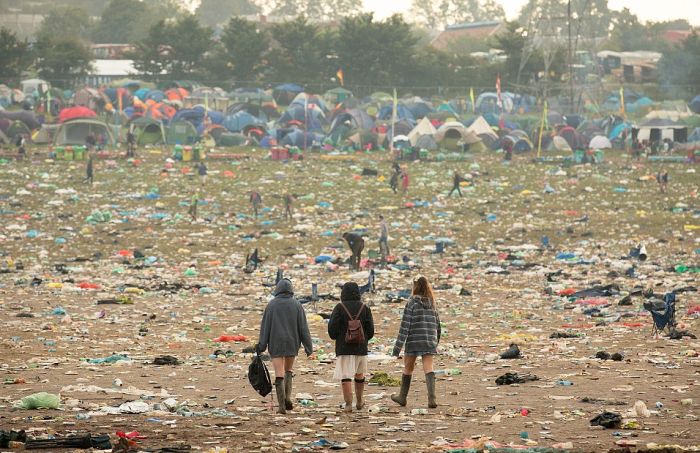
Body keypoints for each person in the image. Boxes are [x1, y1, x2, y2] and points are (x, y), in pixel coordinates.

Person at [257, 278, 313, 414]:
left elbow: (265, 327)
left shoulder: (271, 305)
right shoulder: (297, 305)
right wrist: (308, 347)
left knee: (279, 373)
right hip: (292, 342)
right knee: (288, 370)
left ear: (277, 289)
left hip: (276, 343)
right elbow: (303, 328)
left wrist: (261, 346)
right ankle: (287, 397)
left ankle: (281, 406)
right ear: (291, 290)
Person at [391, 276, 441, 409]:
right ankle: (432, 399)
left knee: (408, 368)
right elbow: (437, 324)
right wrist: (436, 341)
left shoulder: (412, 302)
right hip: (429, 341)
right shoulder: (432, 302)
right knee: (428, 368)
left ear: (415, 286)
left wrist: (397, 349)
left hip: (414, 340)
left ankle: (402, 397)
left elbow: (405, 326)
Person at [328, 282, 375, 412]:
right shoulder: (364, 308)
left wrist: (339, 337)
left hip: (344, 348)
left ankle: (348, 404)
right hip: (361, 348)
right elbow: (370, 330)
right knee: (359, 374)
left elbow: (332, 329)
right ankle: (359, 401)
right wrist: (363, 340)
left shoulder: (339, 307)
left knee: (345, 375)